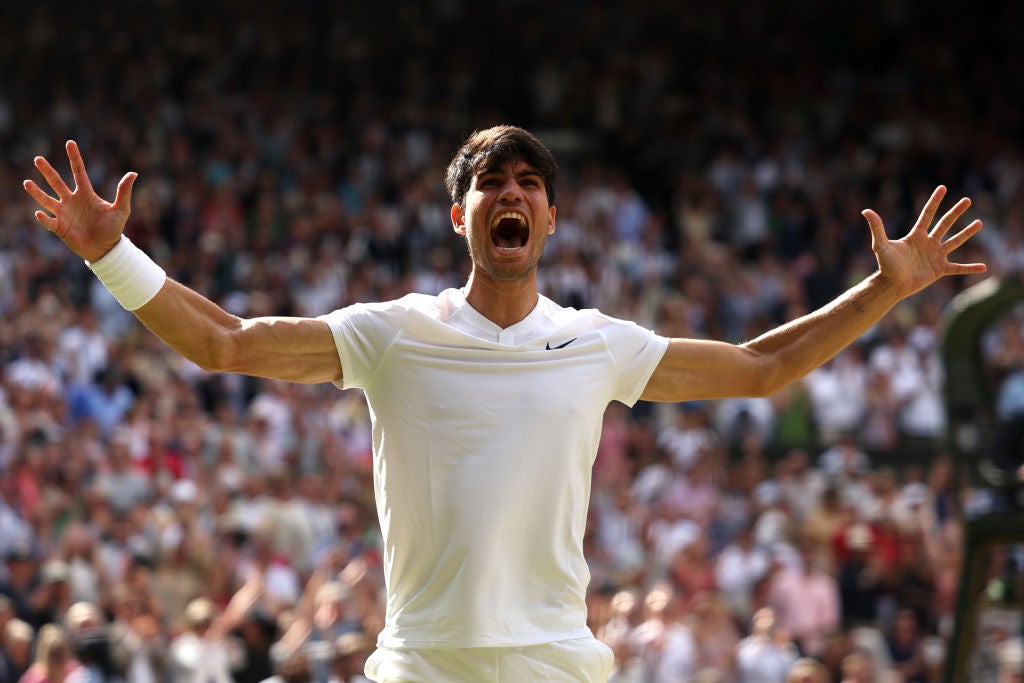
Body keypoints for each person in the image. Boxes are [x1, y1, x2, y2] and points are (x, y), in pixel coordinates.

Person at [23, 126, 985, 682]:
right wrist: (113, 253)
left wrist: (885, 291)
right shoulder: (392, 331)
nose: (511, 193)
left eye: (530, 183)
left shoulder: (599, 342)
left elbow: (761, 365)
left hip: (556, 664)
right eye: (492, 183)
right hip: (420, 665)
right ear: (462, 215)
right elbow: (223, 341)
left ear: (551, 218)